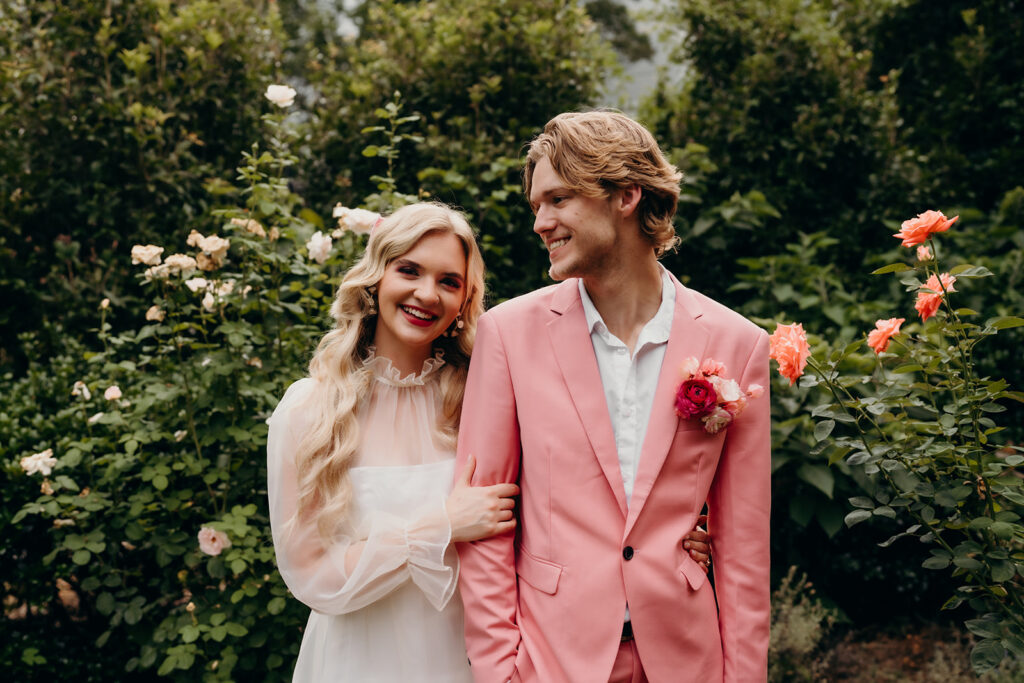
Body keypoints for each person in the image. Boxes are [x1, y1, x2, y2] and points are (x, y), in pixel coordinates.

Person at [267, 202, 711, 681]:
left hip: (475, 655)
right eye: (409, 271)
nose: (426, 294)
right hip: (359, 657)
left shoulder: (484, 399)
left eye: (448, 281)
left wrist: (663, 541)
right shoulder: (310, 410)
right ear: (375, 278)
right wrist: (441, 527)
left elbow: (569, 505)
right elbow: (309, 575)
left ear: (465, 300)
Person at [455, 111, 771, 682]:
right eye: (536, 207)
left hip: (684, 658)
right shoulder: (507, 335)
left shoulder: (739, 344)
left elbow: (746, 552)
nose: (540, 223)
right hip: (552, 662)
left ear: (625, 196)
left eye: (557, 200)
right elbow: (486, 526)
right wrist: (501, 673)